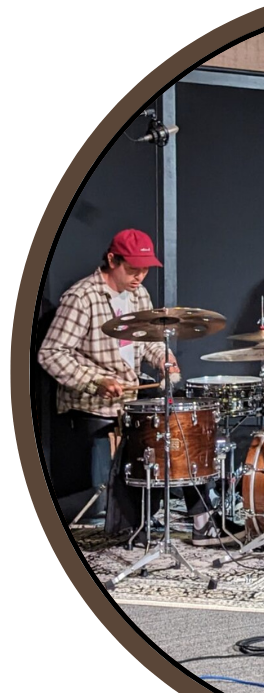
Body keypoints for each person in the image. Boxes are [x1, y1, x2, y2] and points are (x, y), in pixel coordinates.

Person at [38, 228, 243, 547]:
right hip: (93, 402)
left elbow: (148, 343)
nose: (140, 277)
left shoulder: (138, 295)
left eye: (145, 269)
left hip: (130, 396)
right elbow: (50, 353)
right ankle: (136, 522)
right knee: (156, 432)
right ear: (111, 260)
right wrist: (95, 380)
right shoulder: (81, 297)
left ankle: (202, 521)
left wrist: (165, 358)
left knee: (180, 427)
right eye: (133, 269)